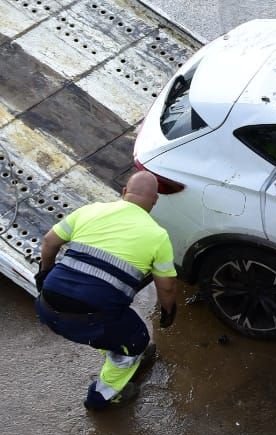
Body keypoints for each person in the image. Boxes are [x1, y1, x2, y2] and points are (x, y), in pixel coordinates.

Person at [36, 172, 178, 412]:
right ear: (155, 201)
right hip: (91, 321)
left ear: (124, 192)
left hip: (46, 306)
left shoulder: (89, 211)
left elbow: (49, 242)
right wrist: (168, 312)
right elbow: (166, 285)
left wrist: (44, 275)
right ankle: (102, 397)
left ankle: (116, 346)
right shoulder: (157, 236)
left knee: (111, 327)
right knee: (137, 340)